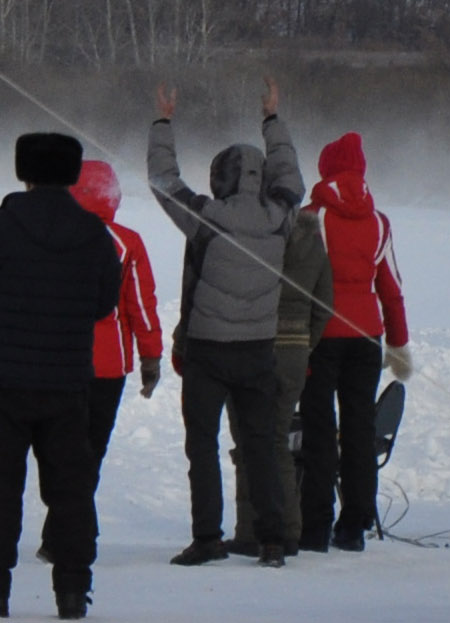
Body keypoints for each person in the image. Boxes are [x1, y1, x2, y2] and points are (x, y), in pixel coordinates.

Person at [0, 133, 122, 621]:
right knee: (71, 493)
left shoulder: (5, 224)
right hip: (68, 383)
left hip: (6, 381)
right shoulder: (92, 232)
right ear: (71, 174)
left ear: (24, 172)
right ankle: (72, 593)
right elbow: (104, 302)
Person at [147, 77, 306, 568]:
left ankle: (207, 538)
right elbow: (291, 176)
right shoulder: (281, 218)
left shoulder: (207, 217)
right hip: (258, 349)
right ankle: (272, 540)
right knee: (260, 447)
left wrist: (163, 123)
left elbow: (163, 180)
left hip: (208, 351)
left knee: (203, 447)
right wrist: (272, 119)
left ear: (222, 178)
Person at [38, 159, 164, 561]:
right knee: (90, 452)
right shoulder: (127, 243)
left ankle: (61, 534)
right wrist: (151, 356)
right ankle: (72, 535)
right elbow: (141, 305)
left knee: (60, 450)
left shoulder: (49, 238)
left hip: (58, 361)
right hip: (109, 366)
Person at [295, 131, 411, 554]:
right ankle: (355, 526)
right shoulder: (379, 223)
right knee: (360, 428)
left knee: (319, 428)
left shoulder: (311, 218)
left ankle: (315, 525)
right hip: (367, 336)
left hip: (320, 336)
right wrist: (398, 343)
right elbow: (391, 288)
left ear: (326, 169)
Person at [225, 203, 333, 556]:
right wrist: (304, 344)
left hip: (249, 345)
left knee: (246, 439)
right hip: (294, 349)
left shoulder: (250, 232)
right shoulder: (313, 240)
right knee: (277, 440)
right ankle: (288, 531)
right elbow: (324, 304)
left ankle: (249, 531)